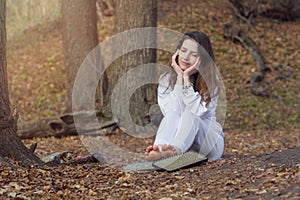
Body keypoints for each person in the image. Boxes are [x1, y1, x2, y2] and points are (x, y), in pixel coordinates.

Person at [145, 30, 224, 161]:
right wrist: (179, 79)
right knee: (173, 113)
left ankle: (175, 151)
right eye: (183, 50)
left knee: (190, 112)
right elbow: (172, 111)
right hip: (182, 139)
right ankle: (160, 149)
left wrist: (186, 79)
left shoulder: (211, 80)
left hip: (209, 143)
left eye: (193, 54)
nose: (186, 57)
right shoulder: (166, 79)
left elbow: (199, 113)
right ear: (177, 51)